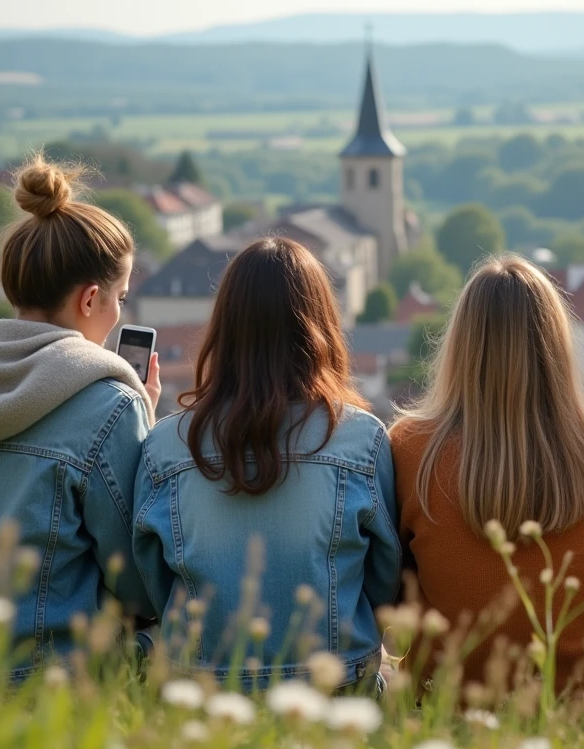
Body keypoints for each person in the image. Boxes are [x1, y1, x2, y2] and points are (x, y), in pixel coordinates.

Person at [0, 155, 161, 680]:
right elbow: (139, 585)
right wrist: (144, 432)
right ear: (91, 299)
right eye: (121, 299)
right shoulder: (108, 406)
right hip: (44, 683)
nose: (119, 316)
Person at [133, 237, 401, 692]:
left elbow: (149, 586)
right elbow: (384, 583)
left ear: (225, 327)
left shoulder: (166, 445)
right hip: (334, 690)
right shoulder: (362, 439)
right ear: (321, 327)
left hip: (200, 692)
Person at [390, 255, 584, 694]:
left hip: (443, 708)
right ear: (557, 347)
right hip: (583, 716)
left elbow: (392, 591)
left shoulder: (409, 447)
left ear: (460, 344)